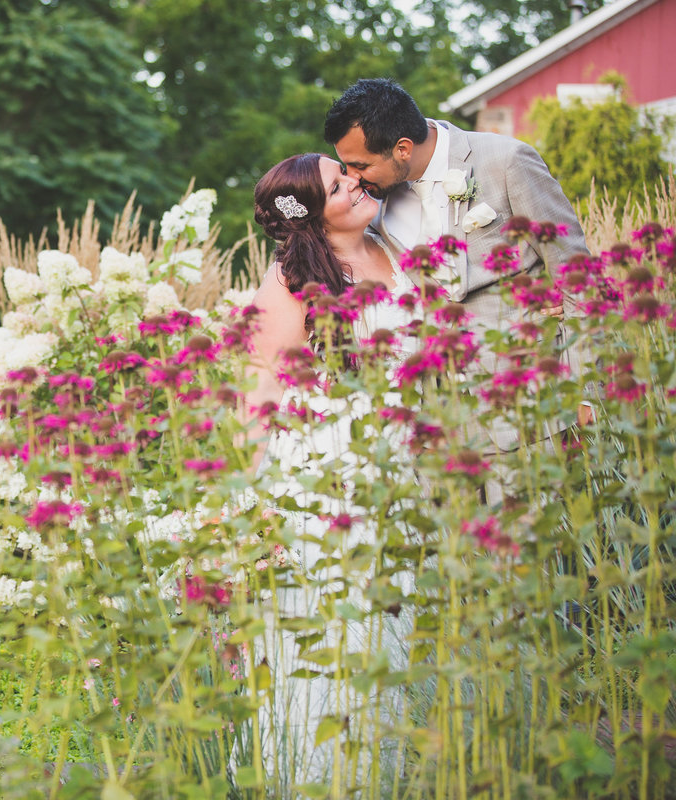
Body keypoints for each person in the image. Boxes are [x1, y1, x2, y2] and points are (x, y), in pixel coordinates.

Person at [241, 153, 418, 792]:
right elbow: (259, 391)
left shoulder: (398, 243)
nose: (356, 184)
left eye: (348, 174)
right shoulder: (291, 281)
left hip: (408, 458)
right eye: (339, 185)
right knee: (335, 630)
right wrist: (246, 503)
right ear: (313, 216)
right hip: (326, 472)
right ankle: (324, 776)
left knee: (400, 624)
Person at [323, 77, 593, 455]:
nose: (351, 178)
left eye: (359, 165)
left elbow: (578, 277)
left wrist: (586, 392)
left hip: (527, 403)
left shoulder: (506, 162)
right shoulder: (373, 202)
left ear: (402, 149)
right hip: (439, 421)